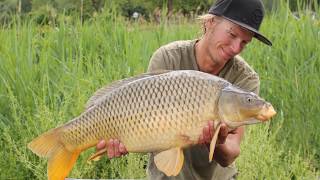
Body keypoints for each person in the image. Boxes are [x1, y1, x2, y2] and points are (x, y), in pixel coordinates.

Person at [96, 0, 272, 179]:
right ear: (210, 22)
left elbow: (230, 154)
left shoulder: (245, 79)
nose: (236, 48)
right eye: (232, 34)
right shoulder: (168, 58)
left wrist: (217, 142)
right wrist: (123, 139)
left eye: (244, 42)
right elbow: (148, 127)